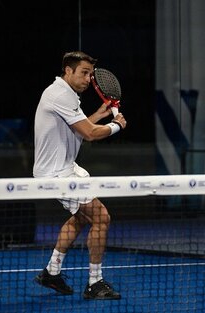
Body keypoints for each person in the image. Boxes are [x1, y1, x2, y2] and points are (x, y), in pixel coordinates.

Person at [33, 51, 126, 300]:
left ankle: (52, 272)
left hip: (67, 168)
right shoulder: (60, 94)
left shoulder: (66, 94)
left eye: (90, 74)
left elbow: (79, 129)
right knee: (101, 218)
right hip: (57, 174)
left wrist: (98, 115)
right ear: (68, 70)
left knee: (81, 218)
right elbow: (91, 134)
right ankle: (95, 283)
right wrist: (116, 125)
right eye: (84, 73)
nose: (88, 79)